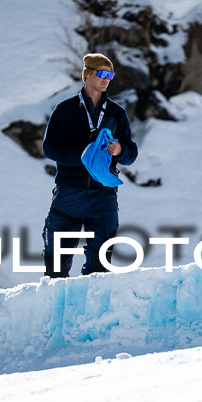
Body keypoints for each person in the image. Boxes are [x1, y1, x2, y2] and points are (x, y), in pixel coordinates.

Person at [42, 53, 138, 277]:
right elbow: (50, 148)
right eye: (102, 73)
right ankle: (57, 310)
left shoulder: (117, 114)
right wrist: (83, 155)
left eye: (110, 75)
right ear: (87, 75)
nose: (107, 79)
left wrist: (120, 150)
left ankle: (95, 312)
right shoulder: (64, 110)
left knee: (100, 265)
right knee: (56, 265)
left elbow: (131, 154)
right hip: (69, 193)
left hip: (103, 195)